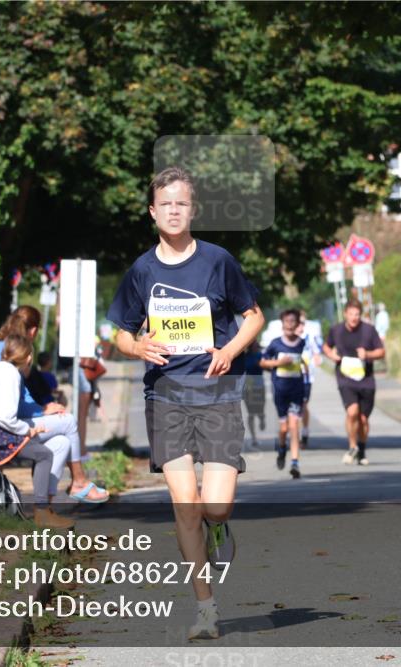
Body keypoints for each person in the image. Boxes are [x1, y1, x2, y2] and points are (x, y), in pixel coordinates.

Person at [107, 166, 264, 641]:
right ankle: (206, 609)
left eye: (182, 203)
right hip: (166, 396)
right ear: (152, 212)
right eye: (165, 203)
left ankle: (220, 529)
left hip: (216, 393)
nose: (173, 210)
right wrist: (139, 347)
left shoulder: (218, 261)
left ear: (192, 210)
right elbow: (119, 332)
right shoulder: (142, 271)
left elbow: (253, 317)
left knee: (214, 506)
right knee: (184, 503)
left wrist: (229, 350)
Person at [0, 307, 108, 502]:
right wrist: (42, 411)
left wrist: (41, 411)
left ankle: (44, 508)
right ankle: (79, 481)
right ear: (33, 332)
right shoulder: (12, 357)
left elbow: (12, 396)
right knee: (67, 421)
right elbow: (15, 403)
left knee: (61, 443)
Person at [0, 334, 75, 527]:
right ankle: (42, 512)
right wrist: (26, 430)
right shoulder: (10, 374)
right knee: (44, 455)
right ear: (29, 358)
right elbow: (4, 417)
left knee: (59, 444)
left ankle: (45, 509)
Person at [323, 300, 385, 466]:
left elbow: (381, 351)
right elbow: (326, 346)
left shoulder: (369, 330)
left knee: (363, 419)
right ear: (345, 314)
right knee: (352, 412)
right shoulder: (336, 330)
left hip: (366, 380)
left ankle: (362, 449)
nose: (354, 318)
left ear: (360, 315)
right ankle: (352, 446)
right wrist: (331, 355)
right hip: (345, 378)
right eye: (351, 314)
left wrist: (368, 354)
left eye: (357, 314)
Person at [260, 309, 306, 478]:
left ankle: (295, 463)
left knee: (294, 425)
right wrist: (279, 362)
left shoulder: (302, 343)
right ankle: (281, 449)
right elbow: (262, 362)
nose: (289, 324)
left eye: (293, 321)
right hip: (280, 389)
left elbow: (306, 364)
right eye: (286, 321)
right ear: (282, 323)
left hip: (297, 389)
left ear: (297, 324)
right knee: (284, 428)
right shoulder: (275, 344)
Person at [296, 309, 324, 447]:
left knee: (303, 404)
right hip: (291, 377)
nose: (300, 326)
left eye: (302, 323)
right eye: (297, 323)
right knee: (293, 406)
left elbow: (317, 352)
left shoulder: (309, 337)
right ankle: (295, 433)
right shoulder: (288, 337)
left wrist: (317, 358)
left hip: (306, 377)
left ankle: (304, 432)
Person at [242, 341, 266, 448]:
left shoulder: (261, 356)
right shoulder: (244, 357)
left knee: (260, 411)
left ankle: (262, 418)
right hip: (248, 389)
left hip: (259, 387)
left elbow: (268, 366)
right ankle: (253, 438)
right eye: (254, 345)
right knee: (250, 413)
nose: (256, 347)